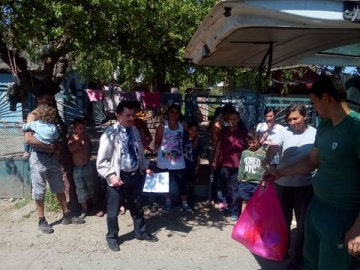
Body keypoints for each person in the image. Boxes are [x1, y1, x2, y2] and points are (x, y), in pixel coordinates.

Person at [266, 75, 360, 270]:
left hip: (342, 213)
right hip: (317, 206)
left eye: (314, 102)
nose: (313, 108)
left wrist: (358, 228)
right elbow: (311, 161)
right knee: (310, 262)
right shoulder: (325, 126)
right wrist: (280, 172)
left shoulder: (355, 127)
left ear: (326, 98)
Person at [97, 100, 158, 252]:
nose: (131, 118)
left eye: (133, 115)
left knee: (137, 207)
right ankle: (112, 237)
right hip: (118, 178)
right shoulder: (110, 134)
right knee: (113, 212)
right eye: (128, 115)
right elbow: (102, 161)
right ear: (118, 116)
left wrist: (145, 167)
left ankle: (141, 233)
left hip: (135, 176)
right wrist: (111, 176)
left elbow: (139, 153)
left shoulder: (135, 130)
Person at [24, 89, 83, 235]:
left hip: (52, 157)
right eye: (47, 100)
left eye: (52, 100)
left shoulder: (50, 116)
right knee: (39, 189)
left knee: (58, 186)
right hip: (39, 157)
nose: (50, 103)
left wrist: (55, 147)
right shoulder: (33, 116)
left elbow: (54, 136)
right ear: (39, 100)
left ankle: (66, 214)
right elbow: (29, 139)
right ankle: (42, 219)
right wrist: (48, 146)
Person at [266, 104, 316, 269]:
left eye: (295, 118)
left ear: (304, 116)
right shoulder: (283, 132)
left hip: (305, 186)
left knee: (303, 224)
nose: (292, 123)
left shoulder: (316, 134)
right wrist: (268, 161)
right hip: (282, 184)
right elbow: (274, 146)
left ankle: (298, 256)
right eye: (289, 120)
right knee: (282, 221)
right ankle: (282, 250)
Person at [155, 103, 190, 212]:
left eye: (176, 112)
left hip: (178, 159)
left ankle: (185, 203)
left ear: (179, 114)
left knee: (181, 182)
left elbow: (188, 137)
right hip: (164, 158)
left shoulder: (182, 125)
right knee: (164, 182)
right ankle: (168, 202)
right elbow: (157, 142)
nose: (174, 115)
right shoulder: (162, 126)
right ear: (168, 113)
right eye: (172, 112)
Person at [212, 110, 247, 217]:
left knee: (236, 187)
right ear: (227, 120)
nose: (232, 121)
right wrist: (215, 160)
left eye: (234, 119)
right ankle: (230, 207)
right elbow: (218, 146)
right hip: (225, 164)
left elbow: (247, 148)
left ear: (238, 120)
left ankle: (236, 211)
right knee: (226, 186)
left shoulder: (243, 132)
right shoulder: (224, 132)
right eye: (230, 119)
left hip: (238, 165)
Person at [232, 131, 266, 220]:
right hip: (245, 182)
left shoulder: (263, 154)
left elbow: (265, 168)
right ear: (247, 141)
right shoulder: (245, 153)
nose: (252, 144)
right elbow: (241, 166)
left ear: (258, 141)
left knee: (257, 202)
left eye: (254, 142)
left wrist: (263, 181)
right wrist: (240, 178)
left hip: (258, 182)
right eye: (250, 142)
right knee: (245, 200)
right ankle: (244, 218)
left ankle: (255, 219)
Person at [68, 118, 94, 220]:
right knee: (80, 188)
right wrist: (79, 141)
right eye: (79, 128)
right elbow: (70, 149)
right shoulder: (72, 138)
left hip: (87, 166)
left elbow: (89, 148)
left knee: (90, 186)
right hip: (78, 168)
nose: (82, 130)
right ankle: (84, 209)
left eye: (83, 128)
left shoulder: (87, 138)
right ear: (75, 129)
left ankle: (93, 205)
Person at [183, 122, 203, 208]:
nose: (193, 132)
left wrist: (198, 166)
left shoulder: (198, 142)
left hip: (193, 165)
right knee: (184, 183)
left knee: (192, 183)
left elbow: (198, 156)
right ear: (188, 130)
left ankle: (190, 199)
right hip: (183, 165)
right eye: (191, 130)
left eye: (195, 131)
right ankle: (183, 199)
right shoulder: (183, 139)